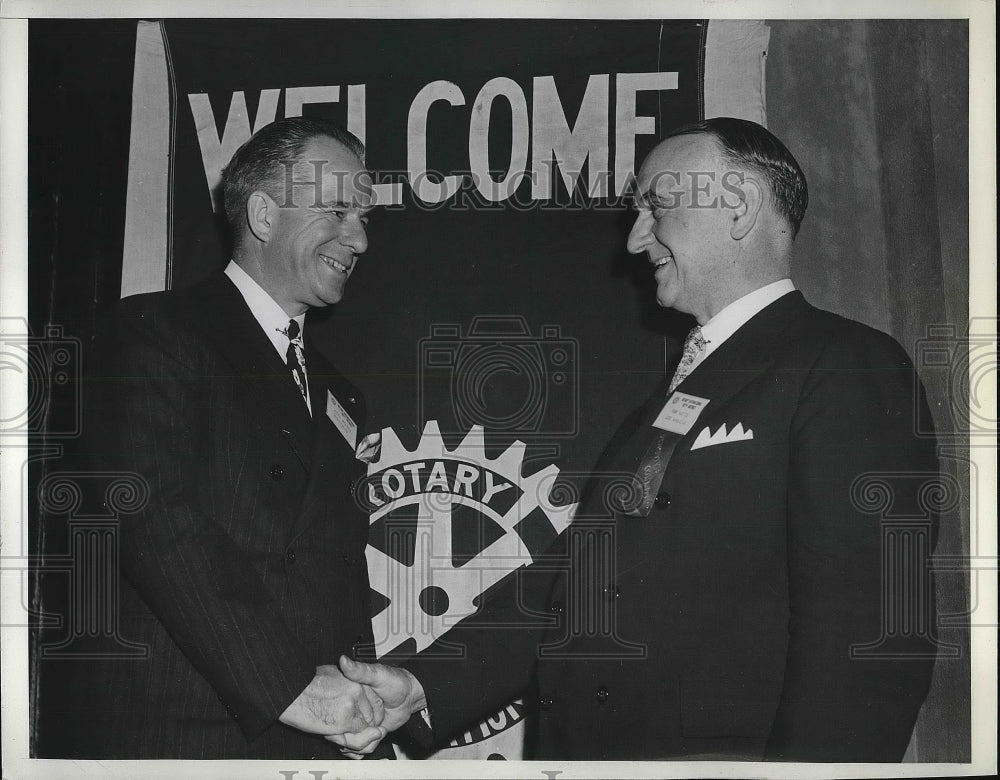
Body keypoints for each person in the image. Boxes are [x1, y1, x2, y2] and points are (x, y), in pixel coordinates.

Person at [337, 117, 941, 761]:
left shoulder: (845, 365)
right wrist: (424, 688)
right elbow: (575, 580)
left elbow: (874, 632)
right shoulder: (665, 405)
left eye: (657, 206)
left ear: (738, 206)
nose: (634, 239)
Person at [64, 118, 389, 758]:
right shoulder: (152, 331)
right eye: (337, 211)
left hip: (322, 739)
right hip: (189, 737)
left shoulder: (340, 392)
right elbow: (151, 515)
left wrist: (361, 714)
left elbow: (336, 574)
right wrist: (290, 689)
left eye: (363, 218)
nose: (359, 239)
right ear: (264, 216)